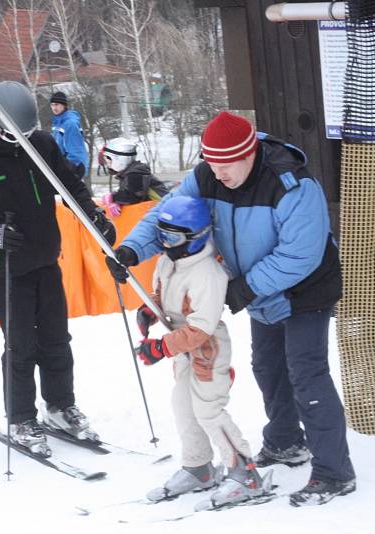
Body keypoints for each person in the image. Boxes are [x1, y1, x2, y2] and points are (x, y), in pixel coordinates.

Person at [107, 111, 355, 506]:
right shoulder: (207, 175)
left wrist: (242, 290)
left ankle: (334, 471)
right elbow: (167, 214)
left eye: (227, 164)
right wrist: (132, 248)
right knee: (267, 366)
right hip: (253, 288)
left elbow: (300, 255)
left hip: (304, 290)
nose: (219, 172)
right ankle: (286, 442)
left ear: (250, 153)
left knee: (305, 372)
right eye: (213, 163)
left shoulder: (292, 184)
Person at [0, 81, 116, 457]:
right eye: (14, 135)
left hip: (45, 259)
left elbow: (70, 187)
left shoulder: (42, 145)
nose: (22, 141)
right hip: (5, 268)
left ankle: (59, 405)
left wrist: (93, 216)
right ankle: (22, 416)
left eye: (26, 133)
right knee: (21, 344)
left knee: (57, 339)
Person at [111, 195, 269, 508]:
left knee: (208, 410)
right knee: (183, 405)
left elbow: (201, 328)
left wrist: (160, 347)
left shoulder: (207, 273)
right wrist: (149, 309)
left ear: (196, 238)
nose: (164, 243)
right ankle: (199, 468)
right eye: (160, 234)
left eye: (171, 236)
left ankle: (245, 473)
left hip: (207, 350)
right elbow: (165, 295)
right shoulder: (170, 260)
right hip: (181, 346)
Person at [98, 137, 170, 216]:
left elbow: (133, 196)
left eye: (109, 160)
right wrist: (119, 202)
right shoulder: (129, 173)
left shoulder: (135, 174)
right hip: (155, 211)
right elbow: (131, 192)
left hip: (165, 212)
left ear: (119, 159)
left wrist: (114, 198)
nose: (108, 165)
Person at [49, 91, 89, 181]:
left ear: (64, 105)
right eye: (52, 105)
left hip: (73, 168)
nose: (54, 107)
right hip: (63, 166)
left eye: (57, 104)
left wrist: (73, 170)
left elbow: (75, 148)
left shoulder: (70, 124)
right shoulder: (58, 123)